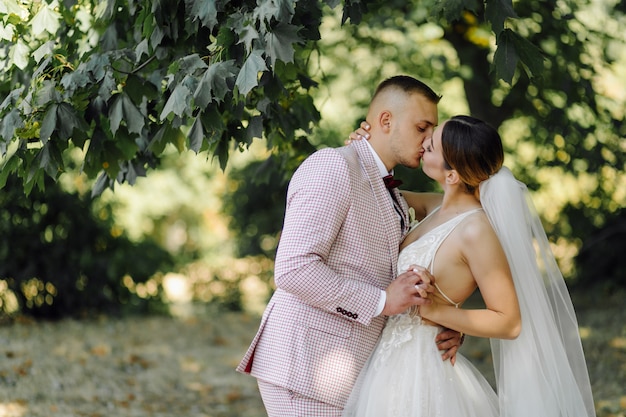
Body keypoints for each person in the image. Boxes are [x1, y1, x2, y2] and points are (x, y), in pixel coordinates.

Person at [236, 75, 463, 416]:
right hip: (306, 366)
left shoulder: (392, 194)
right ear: (386, 120)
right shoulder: (334, 166)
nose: (429, 139)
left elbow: (458, 210)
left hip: (350, 372)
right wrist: (382, 300)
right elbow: (294, 268)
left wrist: (448, 322)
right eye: (422, 127)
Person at [342, 116, 596, 417]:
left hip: (424, 365)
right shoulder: (435, 206)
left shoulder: (476, 231)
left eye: (432, 145)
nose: (424, 143)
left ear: (452, 176)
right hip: (388, 360)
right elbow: (372, 196)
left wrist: (438, 312)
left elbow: (509, 321)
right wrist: (361, 150)